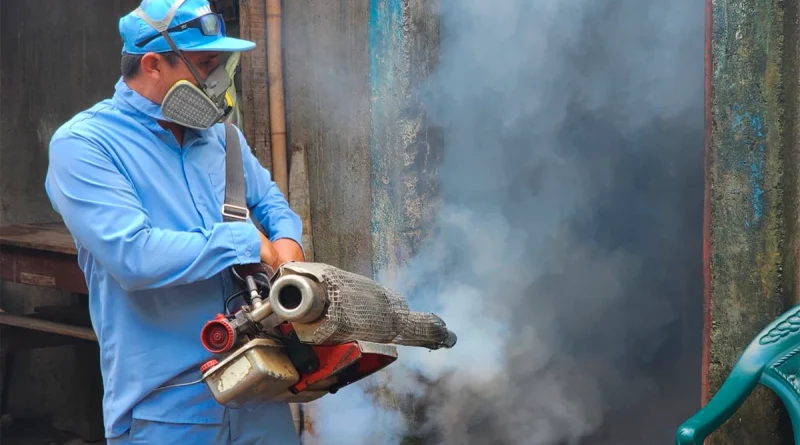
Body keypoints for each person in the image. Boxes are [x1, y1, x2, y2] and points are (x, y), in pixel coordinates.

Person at [44, 0, 304, 443]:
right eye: (205, 63)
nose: (218, 79)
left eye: (221, 63)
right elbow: (134, 256)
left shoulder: (223, 137)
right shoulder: (85, 145)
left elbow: (272, 204)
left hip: (261, 386)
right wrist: (246, 243)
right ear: (153, 65)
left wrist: (287, 244)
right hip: (170, 405)